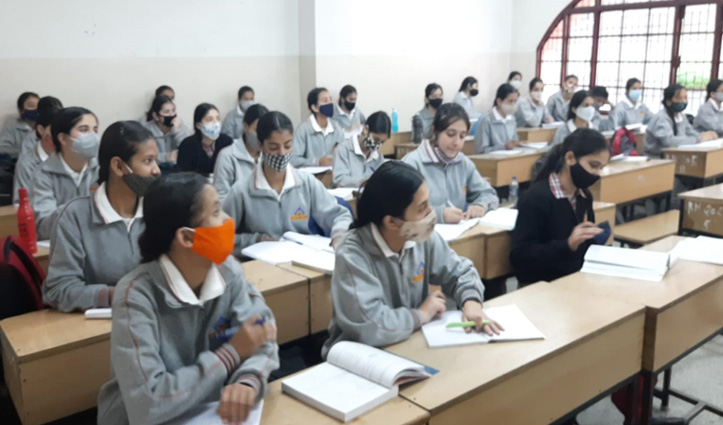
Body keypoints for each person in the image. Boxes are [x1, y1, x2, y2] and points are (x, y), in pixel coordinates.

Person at [96, 172, 279, 425]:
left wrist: (248, 380)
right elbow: (147, 404)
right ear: (186, 237)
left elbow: (261, 329)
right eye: (216, 212)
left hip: (208, 413)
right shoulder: (135, 296)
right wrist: (230, 355)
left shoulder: (228, 271)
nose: (228, 220)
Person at [321, 160, 503, 358]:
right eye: (422, 207)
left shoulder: (418, 237)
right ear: (391, 221)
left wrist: (471, 303)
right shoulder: (352, 254)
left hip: (409, 341)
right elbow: (371, 324)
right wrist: (421, 315)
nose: (431, 213)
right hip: (359, 356)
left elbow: (461, 272)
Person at [42, 121, 160, 312]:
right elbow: (59, 290)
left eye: (156, 161)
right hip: (98, 325)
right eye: (148, 161)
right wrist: (116, 294)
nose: (156, 170)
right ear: (118, 166)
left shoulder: (159, 209)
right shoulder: (74, 217)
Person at [224, 111, 353, 253]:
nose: (282, 153)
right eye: (274, 147)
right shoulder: (242, 191)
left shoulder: (306, 183)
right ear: (260, 145)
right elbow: (221, 237)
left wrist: (339, 236)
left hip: (302, 259)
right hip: (260, 263)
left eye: (287, 146)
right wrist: (255, 240)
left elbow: (340, 215)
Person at [510, 128, 609, 286]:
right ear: (570, 158)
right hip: (542, 287)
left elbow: (582, 249)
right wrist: (567, 245)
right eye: (593, 165)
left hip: (575, 281)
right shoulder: (536, 198)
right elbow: (521, 258)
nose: (597, 174)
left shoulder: (584, 196)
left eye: (601, 168)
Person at [404, 103, 499, 224]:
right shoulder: (412, 164)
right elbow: (402, 209)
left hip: (459, 231)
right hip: (423, 233)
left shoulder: (463, 163)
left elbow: (488, 194)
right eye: (450, 134)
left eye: (462, 136)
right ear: (434, 132)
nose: (456, 143)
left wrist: (481, 205)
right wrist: (439, 215)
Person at [30, 107, 100, 240]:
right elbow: (43, 227)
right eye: (84, 130)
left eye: (95, 130)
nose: (93, 137)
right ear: (63, 138)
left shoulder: (100, 169)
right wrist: (80, 210)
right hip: (60, 244)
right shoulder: (43, 174)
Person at [214, 104, 269, 201]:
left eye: (266, 131)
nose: (261, 136)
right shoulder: (228, 156)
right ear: (245, 126)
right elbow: (221, 197)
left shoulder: (270, 155)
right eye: (257, 130)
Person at [644, 84, 717, 157]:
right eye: (679, 98)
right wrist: (698, 139)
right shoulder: (661, 118)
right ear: (668, 101)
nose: (683, 101)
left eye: (685, 98)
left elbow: (690, 132)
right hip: (657, 158)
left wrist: (705, 136)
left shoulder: (681, 116)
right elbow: (669, 141)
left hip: (676, 155)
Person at [13, 97, 62, 204]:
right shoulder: (27, 164)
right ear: (41, 130)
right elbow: (20, 204)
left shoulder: (70, 157)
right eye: (54, 130)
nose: (59, 136)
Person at [332, 111, 389, 187]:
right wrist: (363, 182)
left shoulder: (378, 156)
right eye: (376, 139)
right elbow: (339, 180)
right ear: (366, 129)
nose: (378, 144)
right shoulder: (344, 149)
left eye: (382, 142)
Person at [291, 88, 344, 167]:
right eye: (325, 100)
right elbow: (293, 159)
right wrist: (316, 162)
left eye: (330, 99)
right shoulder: (303, 130)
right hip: (310, 173)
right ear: (314, 108)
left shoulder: (336, 128)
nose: (330, 103)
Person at [177, 103, 233, 176]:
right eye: (210, 119)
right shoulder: (187, 145)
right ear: (198, 125)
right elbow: (183, 174)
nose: (216, 123)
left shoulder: (226, 141)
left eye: (218, 119)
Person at [142, 95, 192, 164]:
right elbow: (144, 155)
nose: (171, 115)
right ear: (156, 116)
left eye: (173, 110)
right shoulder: (146, 131)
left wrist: (177, 132)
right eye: (166, 112)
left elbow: (189, 149)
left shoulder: (181, 127)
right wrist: (166, 157)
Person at [475, 84, 520, 153]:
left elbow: (514, 142)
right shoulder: (486, 121)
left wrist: (517, 144)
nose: (513, 104)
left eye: (515, 101)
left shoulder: (512, 119)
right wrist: (504, 147)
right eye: (510, 101)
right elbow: (481, 151)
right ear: (499, 101)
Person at [0, 92, 39, 159]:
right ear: (21, 109)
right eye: (31, 105)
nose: (36, 109)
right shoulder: (11, 124)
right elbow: (3, 149)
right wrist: (29, 152)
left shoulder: (44, 126)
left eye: (38, 106)